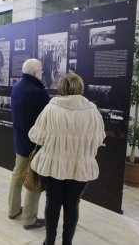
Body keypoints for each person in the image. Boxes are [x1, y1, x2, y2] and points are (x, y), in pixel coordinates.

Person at [28, 73, 106, 245]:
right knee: (73, 205)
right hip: (81, 165)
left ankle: (49, 242)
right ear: (81, 88)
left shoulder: (51, 108)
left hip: (52, 164)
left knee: (52, 202)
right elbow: (99, 139)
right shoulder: (93, 111)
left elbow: (36, 137)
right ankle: (67, 243)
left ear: (61, 88)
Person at [8, 58, 50, 230]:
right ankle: (29, 219)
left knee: (17, 175)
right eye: (41, 70)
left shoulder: (17, 89)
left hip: (20, 140)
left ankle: (13, 209)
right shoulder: (38, 92)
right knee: (35, 178)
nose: (42, 73)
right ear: (35, 73)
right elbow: (46, 119)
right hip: (35, 144)